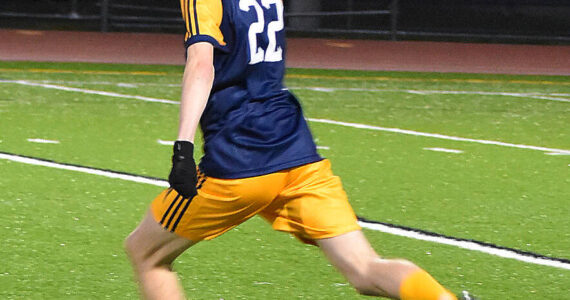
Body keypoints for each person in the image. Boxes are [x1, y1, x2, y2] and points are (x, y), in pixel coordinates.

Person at [125, 0, 475, 299]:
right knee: (366, 269)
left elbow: (202, 64)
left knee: (145, 252)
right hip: (297, 150)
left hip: (239, 157)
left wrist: (183, 147)